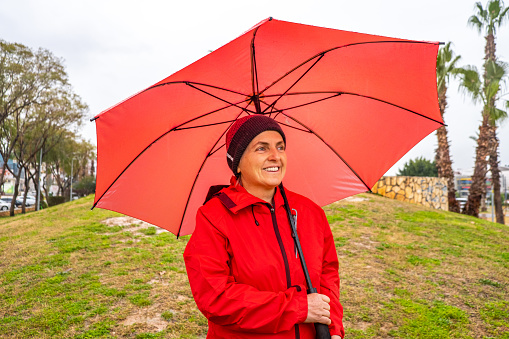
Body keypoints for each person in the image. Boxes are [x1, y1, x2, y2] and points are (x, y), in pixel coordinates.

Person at [184, 115, 344, 338]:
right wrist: (298, 308)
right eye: (262, 148)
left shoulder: (310, 212)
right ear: (237, 163)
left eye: (280, 147)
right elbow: (215, 298)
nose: (275, 156)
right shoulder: (214, 217)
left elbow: (328, 276)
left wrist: (333, 327)